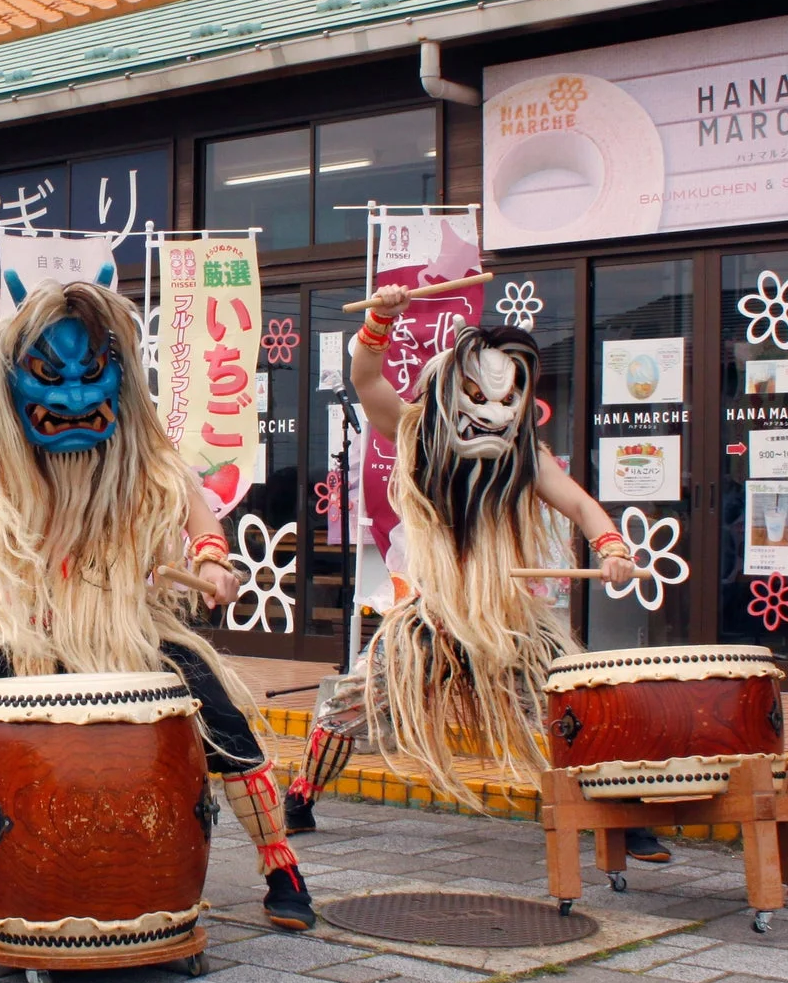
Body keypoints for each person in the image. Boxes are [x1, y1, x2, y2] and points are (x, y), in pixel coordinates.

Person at [0, 235, 316, 932]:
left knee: (228, 728)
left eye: (89, 375)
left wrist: (214, 554)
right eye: (51, 375)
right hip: (24, 625)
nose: (72, 397)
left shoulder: (134, 426)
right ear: (17, 375)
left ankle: (282, 868)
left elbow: (185, 490)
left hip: (128, 626)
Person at [282, 286, 664, 857]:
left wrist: (611, 547)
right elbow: (367, 379)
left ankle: (623, 813)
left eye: (507, 398)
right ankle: (301, 794)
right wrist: (382, 319)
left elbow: (582, 506)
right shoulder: (416, 434)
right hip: (427, 620)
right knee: (351, 706)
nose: (492, 410)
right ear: (447, 393)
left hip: (507, 619)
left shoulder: (522, 456)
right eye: (475, 395)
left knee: (574, 701)